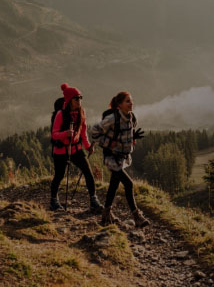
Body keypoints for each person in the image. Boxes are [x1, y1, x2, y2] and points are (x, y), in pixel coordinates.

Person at [91, 91, 149, 228]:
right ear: (119, 104)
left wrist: (132, 137)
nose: (131, 103)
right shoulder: (112, 118)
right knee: (129, 184)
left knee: (114, 185)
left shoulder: (132, 118)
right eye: (128, 101)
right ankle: (137, 217)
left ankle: (106, 215)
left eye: (131, 100)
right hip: (111, 157)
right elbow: (94, 131)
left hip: (122, 157)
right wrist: (107, 143)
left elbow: (124, 133)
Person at [50, 83, 103, 213]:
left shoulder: (81, 112)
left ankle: (93, 200)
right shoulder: (60, 115)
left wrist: (88, 146)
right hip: (61, 150)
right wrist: (65, 134)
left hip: (76, 149)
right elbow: (54, 134)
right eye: (76, 98)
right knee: (59, 175)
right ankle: (53, 201)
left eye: (80, 97)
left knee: (88, 173)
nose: (79, 100)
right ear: (69, 100)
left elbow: (83, 132)